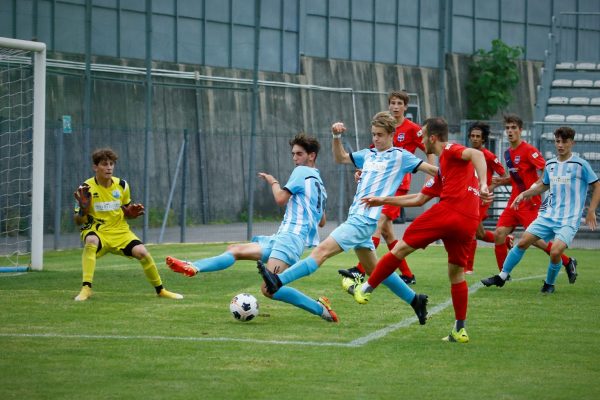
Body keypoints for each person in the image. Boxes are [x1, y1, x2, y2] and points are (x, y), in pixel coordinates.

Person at [258, 112, 438, 323]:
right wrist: (336, 137)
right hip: (358, 218)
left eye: (380, 134)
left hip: (363, 221)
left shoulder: (401, 156)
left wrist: (465, 177)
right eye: (373, 134)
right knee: (375, 270)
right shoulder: (369, 154)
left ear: (391, 133)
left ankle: (278, 281)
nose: (376, 139)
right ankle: (415, 299)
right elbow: (341, 157)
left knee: (321, 251)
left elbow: (435, 171)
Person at [165, 134, 337, 322]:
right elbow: (321, 221)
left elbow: (280, 199)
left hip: (289, 240)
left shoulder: (301, 172)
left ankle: (319, 308)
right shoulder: (320, 185)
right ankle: (193, 266)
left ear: (311, 156)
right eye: (293, 154)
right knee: (235, 250)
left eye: (299, 154)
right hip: (282, 238)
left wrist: (273, 182)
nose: (295, 159)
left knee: (269, 289)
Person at [354, 117, 492, 344]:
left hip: (450, 211)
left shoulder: (449, 150)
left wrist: (485, 183)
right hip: (468, 220)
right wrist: (383, 200)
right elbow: (419, 199)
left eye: (423, 134)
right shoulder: (443, 171)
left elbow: (476, 154)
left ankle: (366, 288)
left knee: (400, 248)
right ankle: (460, 328)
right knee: (456, 274)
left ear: (433, 138)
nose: (420, 138)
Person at [482, 126, 599, 292]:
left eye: (564, 141)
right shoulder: (550, 164)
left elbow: (597, 185)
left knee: (555, 252)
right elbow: (542, 186)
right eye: (558, 141)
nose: (560, 145)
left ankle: (549, 284)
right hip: (548, 216)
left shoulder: (580, 164)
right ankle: (502, 276)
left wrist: (591, 210)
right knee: (523, 242)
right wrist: (524, 194)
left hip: (568, 219)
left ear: (572, 143)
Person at [338, 91, 435, 285]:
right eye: (392, 102)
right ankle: (407, 274)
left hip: (397, 186)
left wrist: (429, 179)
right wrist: (362, 172)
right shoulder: (381, 127)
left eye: (399, 103)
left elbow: (429, 151)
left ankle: (360, 270)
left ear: (405, 107)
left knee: (378, 221)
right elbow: (372, 157)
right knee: (387, 232)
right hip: (379, 186)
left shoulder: (412, 129)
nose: (395, 106)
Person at [73, 148, 183, 301]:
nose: (109, 167)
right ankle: (86, 288)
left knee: (143, 252)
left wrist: (130, 214)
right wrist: (83, 210)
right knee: (91, 242)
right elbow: (78, 221)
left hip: (120, 231)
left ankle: (161, 290)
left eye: (111, 164)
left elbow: (125, 210)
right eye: (104, 164)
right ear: (95, 167)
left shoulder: (122, 185)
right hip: (97, 231)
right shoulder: (85, 188)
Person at [490, 115, 577, 280]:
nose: (510, 131)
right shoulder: (508, 153)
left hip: (529, 202)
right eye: (507, 128)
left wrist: (535, 186)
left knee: (536, 240)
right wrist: (501, 181)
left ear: (520, 130)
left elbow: (546, 170)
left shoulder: (529, 150)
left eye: (513, 127)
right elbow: (517, 177)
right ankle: (503, 274)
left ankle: (567, 261)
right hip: (514, 201)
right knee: (499, 234)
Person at [465, 122, 508, 274]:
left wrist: (490, 188)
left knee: (470, 230)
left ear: (483, 139)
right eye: (472, 136)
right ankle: (505, 240)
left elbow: (504, 175)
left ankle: (468, 268)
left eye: (478, 136)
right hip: (469, 197)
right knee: (479, 233)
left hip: (482, 198)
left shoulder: (488, 156)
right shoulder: (466, 153)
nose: (475, 139)